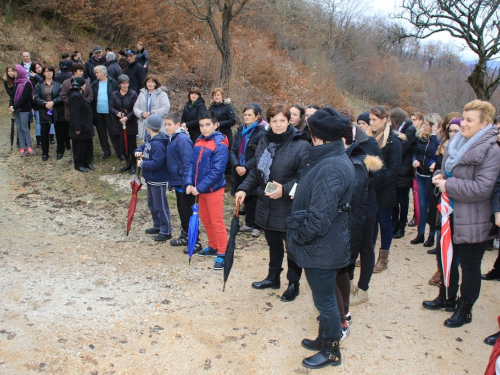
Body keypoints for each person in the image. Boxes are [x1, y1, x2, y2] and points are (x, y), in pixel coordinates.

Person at [285, 107, 354, 369]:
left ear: (316, 135)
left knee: (325, 301)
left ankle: (331, 350)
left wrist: (300, 238)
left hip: (322, 245)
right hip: (322, 244)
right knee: (322, 298)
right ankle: (323, 338)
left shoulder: (332, 166)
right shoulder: (329, 159)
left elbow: (320, 216)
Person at [423, 100, 500, 328]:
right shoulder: (457, 142)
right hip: (449, 213)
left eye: (469, 120)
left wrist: (449, 185)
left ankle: (464, 309)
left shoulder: (491, 150)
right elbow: (447, 170)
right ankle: (446, 296)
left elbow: (483, 188)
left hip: (473, 218)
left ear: (484, 124)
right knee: (445, 257)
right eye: (463, 118)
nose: (462, 123)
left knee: (468, 265)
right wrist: (439, 175)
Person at [235, 103, 310, 301]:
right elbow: (256, 171)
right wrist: (243, 189)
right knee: (273, 243)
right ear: (269, 121)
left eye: (282, 121)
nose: (278, 125)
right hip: (266, 203)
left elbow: (306, 176)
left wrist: (284, 190)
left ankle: (293, 283)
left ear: (290, 121)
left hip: (289, 205)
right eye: (274, 121)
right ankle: (273, 277)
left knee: (292, 247)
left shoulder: (301, 144)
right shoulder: (264, 141)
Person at [186, 111, 229, 270]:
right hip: (200, 189)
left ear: (216, 125)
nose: (204, 128)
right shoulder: (198, 140)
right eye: (201, 125)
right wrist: (189, 183)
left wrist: (199, 187)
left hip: (213, 189)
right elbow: (191, 164)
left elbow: (217, 172)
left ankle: (223, 253)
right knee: (205, 219)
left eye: (208, 125)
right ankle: (213, 246)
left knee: (217, 221)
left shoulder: (220, 144)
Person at [366, 106, 402, 273]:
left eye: (374, 119)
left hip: (385, 190)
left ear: (384, 120)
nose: (371, 123)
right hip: (370, 187)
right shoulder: (368, 137)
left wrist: (375, 183)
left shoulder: (393, 141)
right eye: (370, 119)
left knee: (384, 224)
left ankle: (383, 258)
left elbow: (394, 170)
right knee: (370, 224)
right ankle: (368, 255)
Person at [164, 112, 200, 252]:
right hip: (177, 182)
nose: (167, 127)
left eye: (169, 124)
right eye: (165, 124)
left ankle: (195, 240)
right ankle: (185, 234)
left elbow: (188, 162)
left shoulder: (182, 139)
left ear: (178, 125)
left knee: (188, 212)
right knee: (181, 210)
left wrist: (187, 183)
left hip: (185, 183)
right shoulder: (173, 138)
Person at [230, 105, 266, 237]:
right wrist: (236, 166)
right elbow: (233, 149)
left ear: (257, 117)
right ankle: (249, 222)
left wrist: (246, 167)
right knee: (246, 197)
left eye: (250, 115)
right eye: (245, 114)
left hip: (252, 169)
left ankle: (257, 225)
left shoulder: (261, 132)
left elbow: (259, 153)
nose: (247, 117)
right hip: (238, 168)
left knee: (255, 197)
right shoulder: (240, 130)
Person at [135, 114, 172, 242]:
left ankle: (166, 230)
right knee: (151, 204)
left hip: (158, 179)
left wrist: (143, 164)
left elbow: (157, 163)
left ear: (148, 127)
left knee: (160, 205)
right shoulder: (151, 140)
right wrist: (138, 150)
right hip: (150, 178)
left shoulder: (158, 144)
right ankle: (157, 225)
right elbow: (144, 146)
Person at [410, 113, 441, 247]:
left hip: (432, 178)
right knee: (422, 206)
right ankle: (421, 233)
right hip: (421, 175)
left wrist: (434, 136)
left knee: (432, 207)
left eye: (427, 125)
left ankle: (432, 235)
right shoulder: (420, 136)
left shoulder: (438, 140)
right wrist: (414, 160)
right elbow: (415, 152)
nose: (424, 127)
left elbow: (435, 153)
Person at [391, 108, 416, 239]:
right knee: (393, 200)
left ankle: (401, 225)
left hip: (404, 170)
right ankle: (394, 223)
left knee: (403, 200)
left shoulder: (410, 129)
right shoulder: (400, 130)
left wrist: (395, 138)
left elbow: (403, 148)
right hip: (396, 170)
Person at [33, 65, 65, 161]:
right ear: (43, 73)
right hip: (44, 111)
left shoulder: (58, 84)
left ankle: (60, 151)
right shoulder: (39, 85)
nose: (49, 73)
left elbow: (61, 96)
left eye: (50, 71)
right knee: (44, 133)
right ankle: (45, 153)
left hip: (57, 111)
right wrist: (44, 103)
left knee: (59, 133)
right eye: (47, 71)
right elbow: (36, 97)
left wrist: (53, 102)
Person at [109, 74, 139, 174]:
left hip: (130, 123)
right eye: (123, 84)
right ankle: (128, 162)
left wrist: (127, 117)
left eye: (127, 83)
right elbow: (111, 107)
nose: (125, 85)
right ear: (119, 84)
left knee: (131, 145)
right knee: (122, 144)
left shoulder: (133, 94)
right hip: (119, 123)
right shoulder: (114, 94)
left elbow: (135, 109)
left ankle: (134, 164)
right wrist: (118, 114)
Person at [91, 65, 120, 159]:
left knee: (113, 132)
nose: (95, 74)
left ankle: (118, 151)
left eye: (97, 72)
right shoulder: (94, 84)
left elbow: (117, 96)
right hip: (98, 113)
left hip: (110, 112)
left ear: (103, 73)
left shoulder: (113, 82)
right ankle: (106, 151)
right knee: (101, 133)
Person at [68, 77, 94, 172]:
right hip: (81, 126)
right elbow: (75, 113)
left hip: (87, 124)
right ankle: (79, 164)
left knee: (87, 144)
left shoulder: (79, 94)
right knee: (79, 146)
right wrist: (77, 128)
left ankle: (87, 162)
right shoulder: (75, 96)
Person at [133, 74, 170, 140]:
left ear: (156, 83)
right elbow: (135, 107)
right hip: (144, 125)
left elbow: (166, 107)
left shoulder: (162, 94)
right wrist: (141, 114)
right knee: (146, 147)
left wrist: (152, 114)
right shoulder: (142, 93)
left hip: (158, 126)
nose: (150, 84)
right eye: (148, 82)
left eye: (152, 82)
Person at [60, 63, 93, 133]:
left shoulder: (86, 82)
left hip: (85, 113)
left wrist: (84, 103)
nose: (82, 73)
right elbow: (63, 96)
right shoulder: (66, 83)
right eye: (80, 71)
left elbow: (90, 95)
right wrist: (74, 103)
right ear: (74, 71)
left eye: (82, 71)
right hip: (71, 111)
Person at [9, 65, 34, 156]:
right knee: (19, 128)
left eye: (15, 71)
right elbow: (12, 95)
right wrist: (11, 105)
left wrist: (15, 107)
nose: (14, 73)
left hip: (24, 108)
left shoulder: (27, 83)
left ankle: (29, 146)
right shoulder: (16, 82)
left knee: (25, 128)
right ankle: (22, 147)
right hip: (16, 109)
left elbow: (24, 97)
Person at [408, 111, 425, 227]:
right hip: (414, 165)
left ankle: (419, 217)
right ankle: (416, 216)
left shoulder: (422, 134)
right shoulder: (412, 132)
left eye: (415, 120)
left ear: (421, 121)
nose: (413, 122)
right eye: (412, 119)